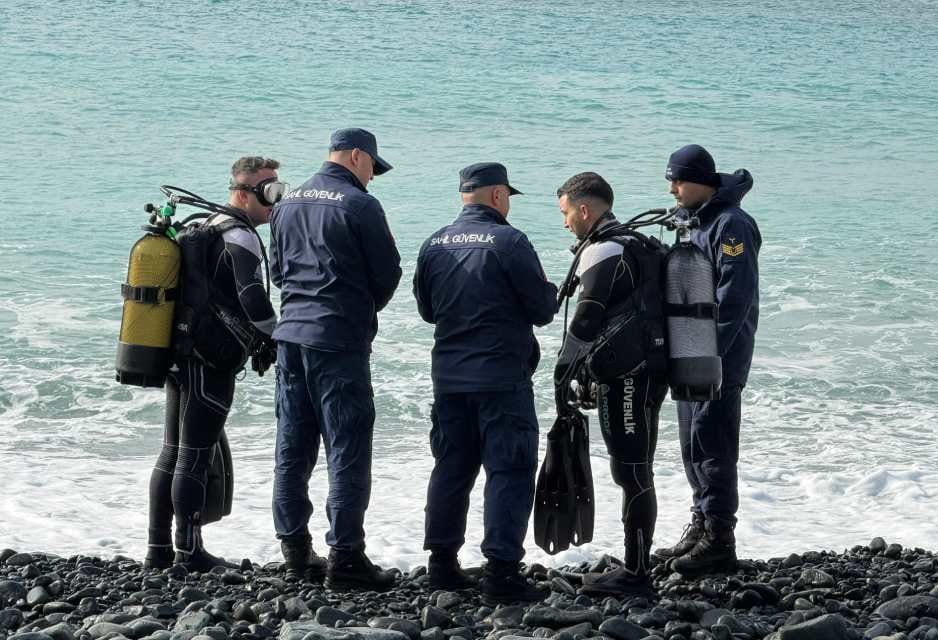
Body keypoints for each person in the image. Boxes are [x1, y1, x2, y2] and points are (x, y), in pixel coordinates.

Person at [413, 162, 558, 603]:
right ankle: (500, 571)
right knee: (509, 469)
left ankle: (441, 564)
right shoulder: (510, 242)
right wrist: (552, 291)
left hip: (450, 378)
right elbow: (541, 309)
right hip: (501, 378)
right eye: (509, 195)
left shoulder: (434, 243)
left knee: (452, 468)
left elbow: (426, 310)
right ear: (497, 195)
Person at [269, 128, 403, 590]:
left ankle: (294, 555)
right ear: (355, 157)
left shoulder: (286, 202)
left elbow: (276, 272)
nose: (372, 177)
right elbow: (387, 274)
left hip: (290, 337)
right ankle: (346, 557)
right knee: (346, 447)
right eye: (371, 166)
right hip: (338, 340)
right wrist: (359, 306)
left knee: (292, 447)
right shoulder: (360, 205)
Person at [145, 156, 283, 571]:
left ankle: (157, 551)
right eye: (270, 192)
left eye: (281, 190)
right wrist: (276, 336)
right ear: (243, 193)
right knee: (194, 455)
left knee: (171, 451)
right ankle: (190, 553)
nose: (277, 202)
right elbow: (253, 298)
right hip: (210, 359)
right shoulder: (240, 236)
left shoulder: (199, 226)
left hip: (178, 352)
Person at [553, 172, 669, 597]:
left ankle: (637, 574)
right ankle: (636, 564)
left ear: (585, 209)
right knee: (636, 469)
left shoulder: (604, 250)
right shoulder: (637, 244)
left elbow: (585, 321)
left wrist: (561, 372)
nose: (565, 222)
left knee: (631, 471)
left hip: (627, 382)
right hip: (649, 374)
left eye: (566, 213)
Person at [653, 144, 760, 575]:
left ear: (703, 180)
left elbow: (733, 299)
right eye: (670, 181)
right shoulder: (694, 223)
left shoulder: (731, 225)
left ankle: (720, 538)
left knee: (713, 445)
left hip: (717, 358)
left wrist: (707, 353)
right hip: (689, 354)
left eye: (679, 180)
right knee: (691, 445)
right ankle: (699, 525)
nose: (673, 188)